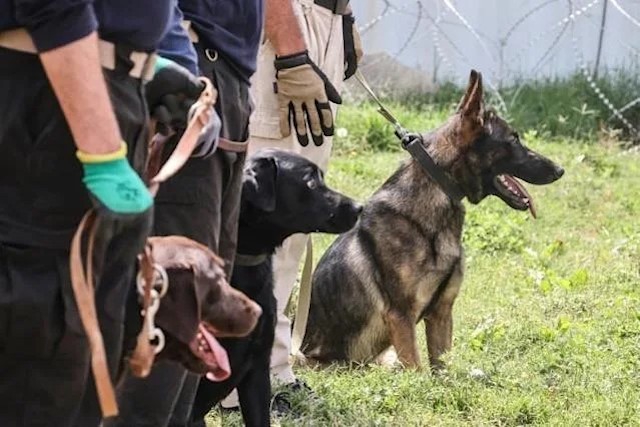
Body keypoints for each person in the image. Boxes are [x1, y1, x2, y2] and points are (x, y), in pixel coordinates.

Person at [0, 2, 205, 426]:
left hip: (105, 93)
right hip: (50, 98)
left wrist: (153, 60)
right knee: (40, 354)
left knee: (92, 356)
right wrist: (102, 150)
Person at [106, 0, 263, 426]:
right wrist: (182, 68)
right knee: (170, 301)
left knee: (202, 301)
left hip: (227, 78)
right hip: (190, 71)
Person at [209, 0, 363, 416]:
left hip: (318, 23)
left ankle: (270, 367)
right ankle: (233, 381)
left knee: (296, 226)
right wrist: (293, 52)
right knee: (266, 216)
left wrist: (343, 20)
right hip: (287, 28)